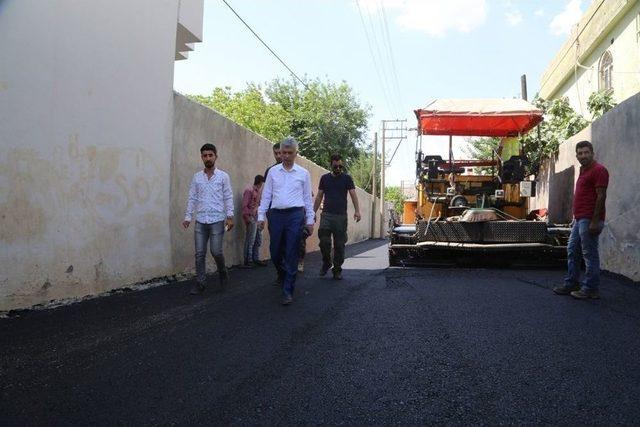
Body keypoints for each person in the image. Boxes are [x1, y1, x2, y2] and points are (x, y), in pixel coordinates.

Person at [257, 137, 314, 305]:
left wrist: (309, 220)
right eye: (283, 153)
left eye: (290, 153)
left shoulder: (303, 174)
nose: (286, 156)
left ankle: (288, 290)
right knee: (275, 252)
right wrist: (261, 216)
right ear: (279, 153)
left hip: (295, 216)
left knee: (291, 252)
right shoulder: (273, 172)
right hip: (276, 215)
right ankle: (282, 274)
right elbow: (266, 196)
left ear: (296, 154)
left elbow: (307, 199)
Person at [553, 140, 609, 300]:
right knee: (572, 251)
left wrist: (594, 221)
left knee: (589, 254)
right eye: (580, 153)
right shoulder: (583, 170)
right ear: (576, 155)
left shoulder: (599, 170)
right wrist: (575, 218)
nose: (583, 155)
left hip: (589, 219)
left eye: (586, 152)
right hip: (579, 219)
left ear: (592, 153)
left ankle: (591, 288)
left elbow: (601, 196)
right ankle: (572, 283)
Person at [183, 143, 234, 295]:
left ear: (215, 156)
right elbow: (192, 197)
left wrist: (230, 216)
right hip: (200, 220)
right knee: (199, 253)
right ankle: (200, 283)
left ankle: (222, 272)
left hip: (217, 220)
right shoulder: (197, 177)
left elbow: (228, 197)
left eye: (210, 155)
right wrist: (188, 216)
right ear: (202, 158)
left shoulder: (223, 176)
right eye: (205, 155)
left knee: (216, 251)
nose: (208, 158)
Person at [313, 153, 361, 280]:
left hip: (340, 217)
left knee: (339, 245)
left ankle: (337, 269)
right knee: (324, 241)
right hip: (327, 215)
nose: (338, 169)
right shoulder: (324, 178)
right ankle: (327, 262)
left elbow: (353, 194)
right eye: (336, 166)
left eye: (340, 166)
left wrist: (357, 211)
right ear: (331, 165)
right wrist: (312, 212)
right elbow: (319, 196)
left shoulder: (347, 179)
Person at [241, 175, 267, 268]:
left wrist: (261, 219)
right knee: (250, 239)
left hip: (257, 217)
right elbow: (244, 205)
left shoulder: (258, 192)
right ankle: (248, 260)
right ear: (260, 183)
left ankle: (255, 258)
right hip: (251, 217)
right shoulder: (249, 190)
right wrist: (247, 217)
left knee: (258, 239)